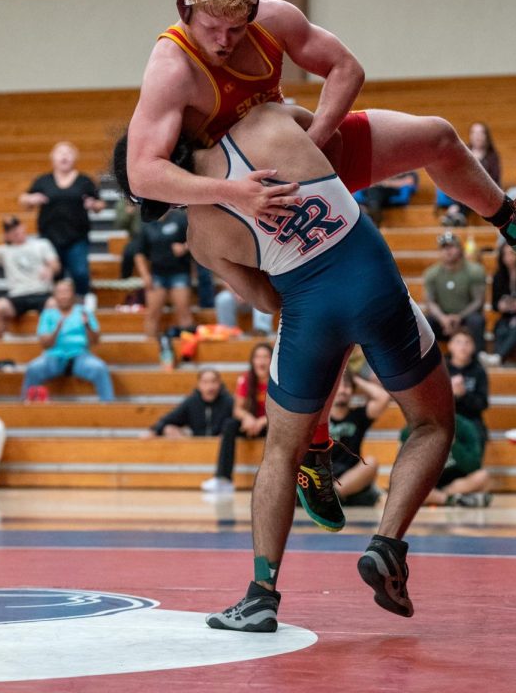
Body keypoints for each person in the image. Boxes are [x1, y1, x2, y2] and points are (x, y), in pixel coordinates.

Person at [124, 0, 516, 500]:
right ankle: (312, 450)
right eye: (210, 27)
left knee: (439, 138)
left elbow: (345, 68)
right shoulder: (171, 66)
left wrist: (316, 144)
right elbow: (142, 174)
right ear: (184, 9)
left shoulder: (275, 20)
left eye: (235, 26)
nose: (223, 41)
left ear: (254, 7)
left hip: (299, 164)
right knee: (314, 313)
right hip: (253, 207)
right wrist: (234, 193)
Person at [113, 102, 458, 631]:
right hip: (373, 284)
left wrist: (287, 255)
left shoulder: (201, 236)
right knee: (432, 423)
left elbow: (266, 300)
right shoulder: (264, 122)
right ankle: (387, 544)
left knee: (280, 451)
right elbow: (336, 145)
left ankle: (260, 594)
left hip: (307, 314)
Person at [19, 142, 104, 305]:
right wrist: (31, 199)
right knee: (54, 274)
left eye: (68, 153)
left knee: (80, 272)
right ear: (52, 158)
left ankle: (83, 303)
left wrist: (93, 205)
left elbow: (100, 204)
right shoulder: (43, 181)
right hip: (49, 237)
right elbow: (24, 200)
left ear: (75, 158)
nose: (64, 156)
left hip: (77, 236)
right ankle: (57, 307)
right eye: (60, 153)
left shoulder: (84, 181)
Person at [20, 279, 114, 402]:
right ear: (55, 295)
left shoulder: (84, 312)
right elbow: (45, 344)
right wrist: (56, 330)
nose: (64, 295)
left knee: (100, 368)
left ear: (73, 294)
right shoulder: (48, 314)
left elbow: (95, 341)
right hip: (53, 357)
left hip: (80, 356)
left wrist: (87, 325)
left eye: (66, 292)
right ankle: (25, 408)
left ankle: (109, 408)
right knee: (33, 368)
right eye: (60, 292)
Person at [200, 342, 272, 494]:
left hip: (271, 425)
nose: (261, 361)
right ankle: (223, 479)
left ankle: (276, 481)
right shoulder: (246, 379)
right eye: (258, 357)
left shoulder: (279, 381)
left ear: (272, 360)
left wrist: (261, 421)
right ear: (252, 361)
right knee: (229, 425)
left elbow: (283, 412)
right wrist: (248, 418)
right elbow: (237, 409)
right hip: (251, 424)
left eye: (266, 357)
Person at [0, 216, 60, 341]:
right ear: (6, 235)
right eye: (10, 230)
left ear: (23, 227)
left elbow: (55, 264)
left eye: (17, 227)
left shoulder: (41, 244)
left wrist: (50, 269)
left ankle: (54, 342)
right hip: (17, 294)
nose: (15, 231)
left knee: (54, 305)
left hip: (42, 292)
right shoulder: (4, 250)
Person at [328, 368, 392, 505]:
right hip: (324, 477)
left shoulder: (358, 415)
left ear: (353, 390)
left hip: (351, 478)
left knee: (371, 463)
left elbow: (383, 397)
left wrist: (353, 377)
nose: (342, 390)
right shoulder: (319, 418)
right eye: (338, 386)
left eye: (347, 386)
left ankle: (331, 498)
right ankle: (331, 497)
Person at [132, 209, 194, 339]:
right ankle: (151, 350)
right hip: (157, 274)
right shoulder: (146, 223)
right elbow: (139, 253)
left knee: (184, 312)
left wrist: (184, 247)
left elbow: (197, 238)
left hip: (179, 272)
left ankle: (187, 352)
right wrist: (145, 275)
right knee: (152, 314)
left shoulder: (180, 218)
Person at [421, 232, 487, 352]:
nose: (448, 251)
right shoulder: (431, 273)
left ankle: (479, 355)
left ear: (460, 249)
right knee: (425, 323)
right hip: (442, 321)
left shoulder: (475, 271)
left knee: (477, 320)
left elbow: (478, 301)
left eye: (451, 246)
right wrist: (443, 318)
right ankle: (426, 358)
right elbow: (430, 302)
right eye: (444, 248)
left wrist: (459, 317)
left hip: (465, 319)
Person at [414, 414, 490, 508]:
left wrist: (453, 444)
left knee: (482, 476)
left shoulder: (465, 427)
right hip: (430, 485)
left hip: (458, 484)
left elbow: (473, 466)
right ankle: (453, 500)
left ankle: (442, 498)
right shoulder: (413, 430)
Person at [436, 122, 500, 226]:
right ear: (470, 136)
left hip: (484, 192)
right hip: (462, 191)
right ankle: (457, 213)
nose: (478, 136)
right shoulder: (463, 152)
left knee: (472, 190)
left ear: (486, 136)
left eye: (481, 133)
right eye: (475, 133)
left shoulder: (492, 157)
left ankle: (455, 213)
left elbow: (495, 179)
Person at [144, 367, 235, 439]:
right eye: (205, 382)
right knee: (169, 429)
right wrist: (154, 431)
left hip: (223, 446)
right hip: (196, 444)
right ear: (199, 385)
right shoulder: (192, 402)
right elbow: (168, 419)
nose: (210, 387)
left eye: (213, 382)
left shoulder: (229, 401)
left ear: (219, 383)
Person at [445, 328, 489, 448]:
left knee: (479, 434)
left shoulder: (479, 371)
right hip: (445, 418)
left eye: (467, 342)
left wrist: (463, 394)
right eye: (458, 342)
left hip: (471, 417)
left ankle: (475, 466)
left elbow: (483, 404)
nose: (463, 346)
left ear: (473, 347)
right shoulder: (441, 370)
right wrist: (451, 395)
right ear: (450, 346)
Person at [354, 171, 418, 228]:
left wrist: (387, 183)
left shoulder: (405, 166)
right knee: (374, 191)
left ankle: (372, 214)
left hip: (392, 190)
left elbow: (409, 181)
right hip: (375, 190)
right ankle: (374, 212)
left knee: (375, 193)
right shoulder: (379, 167)